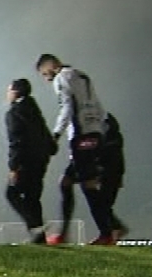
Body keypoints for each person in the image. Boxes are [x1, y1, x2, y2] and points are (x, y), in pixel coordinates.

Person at [36, 54, 115, 245]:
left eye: (44, 74)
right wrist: (102, 129)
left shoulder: (61, 78)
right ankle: (64, 234)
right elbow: (98, 105)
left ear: (50, 67)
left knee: (88, 185)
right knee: (65, 182)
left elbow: (67, 107)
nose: (46, 79)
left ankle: (107, 233)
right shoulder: (81, 75)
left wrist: (55, 134)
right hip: (95, 132)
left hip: (82, 136)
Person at [4, 78, 56, 244]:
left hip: (25, 161)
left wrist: (13, 166)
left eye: (9, 90)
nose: (7, 94)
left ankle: (35, 226)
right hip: (41, 159)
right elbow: (46, 134)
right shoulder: (34, 109)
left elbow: (16, 141)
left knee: (12, 193)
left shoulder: (14, 113)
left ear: (16, 92)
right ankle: (40, 238)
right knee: (33, 197)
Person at [100, 113, 128, 240]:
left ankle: (115, 230)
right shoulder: (116, 138)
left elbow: (112, 158)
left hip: (110, 175)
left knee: (103, 205)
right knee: (104, 205)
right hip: (113, 174)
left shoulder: (110, 140)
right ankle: (115, 230)